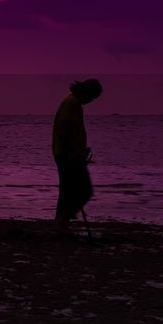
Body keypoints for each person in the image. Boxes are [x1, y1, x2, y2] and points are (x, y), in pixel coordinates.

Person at [52, 78, 103, 233]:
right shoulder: (72, 104)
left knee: (68, 190)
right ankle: (62, 221)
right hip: (68, 155)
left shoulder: (73, 103)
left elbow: (71, 131)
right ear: (86, 92)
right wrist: (74, 153)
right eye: (92, 97)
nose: (91, 101)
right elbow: (65, 130)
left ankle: (61, 224)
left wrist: (81, 149)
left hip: (68, 153)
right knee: (84, 190)